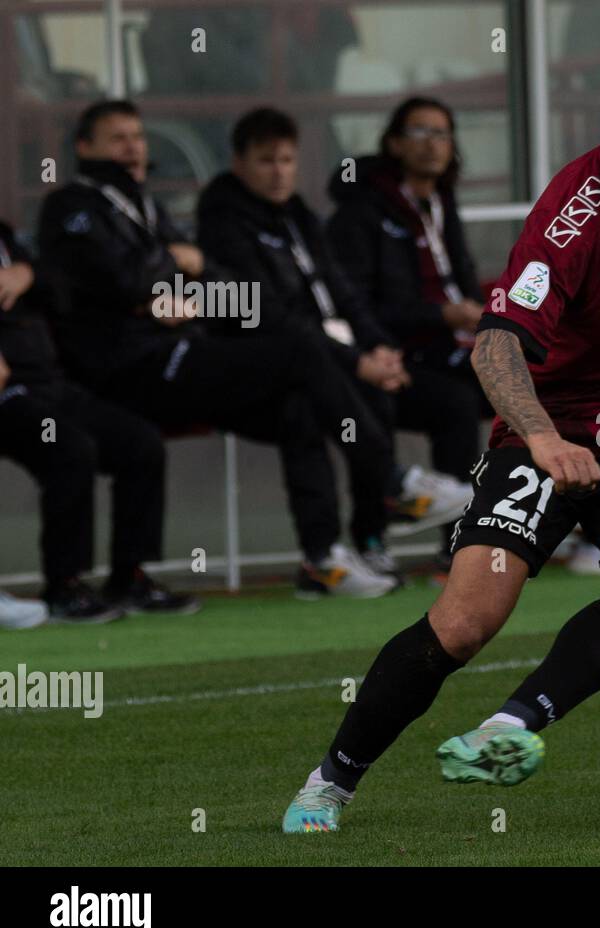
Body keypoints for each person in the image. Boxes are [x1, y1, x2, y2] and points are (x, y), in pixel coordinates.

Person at [282, 15, 600, 832]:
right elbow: (496, 344)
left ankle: (510, 725)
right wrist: (541, 439)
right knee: (466, 622)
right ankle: (330, 781)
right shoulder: (573, 216)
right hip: (555, 426)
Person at [38, 100, 398, 598]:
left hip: (179, 356)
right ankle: (387, 478)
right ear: (84, 147)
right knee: (295, 348)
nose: (134, 147)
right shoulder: (72, 206)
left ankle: (320, 560)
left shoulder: (143, 204)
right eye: (118, 138)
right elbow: (120, 279)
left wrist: (188, 276)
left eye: (138, 137)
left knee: (299, 407)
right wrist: (173, 267)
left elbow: (226, 290)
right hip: (128, 368)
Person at [196, 108, 472, 575]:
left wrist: (380, 349)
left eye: (287, 159)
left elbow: (343, 292)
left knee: (386, 396)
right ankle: (348, 531)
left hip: (319, 357)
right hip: (253, 362)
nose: (280, 171)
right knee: (306, 407)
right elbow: (266, 315)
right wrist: (355, 360)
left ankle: (366, 540)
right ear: (238, 163)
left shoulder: (298, 215)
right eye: (267, 160)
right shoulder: (224, 222)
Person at [0, 216, 197, 622]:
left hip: (50, 381)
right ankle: (64, 585)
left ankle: (131, 576)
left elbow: (58, 284)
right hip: (7, 393)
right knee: (71, 449)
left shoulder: (5, 236)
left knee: (139, 443)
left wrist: (28, 272)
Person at [326, 96, 487, 565]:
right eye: (419, 132)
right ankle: (378, 538)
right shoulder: (361, 211)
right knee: (453, 404)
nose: (432, 144)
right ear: (394, 143)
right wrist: (444, 316)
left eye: (441, 133)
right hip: (388, 355)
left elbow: (461, 277)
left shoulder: (441, 199)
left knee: (536, 382)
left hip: (446, 346)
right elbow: (357, 305)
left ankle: (544, 523)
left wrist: (478, 318)